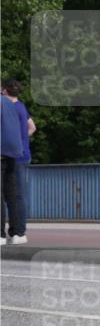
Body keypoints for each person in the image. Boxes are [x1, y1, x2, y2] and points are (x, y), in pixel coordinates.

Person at [1, 79, 34, 244]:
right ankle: (19, 233)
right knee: (18, 195)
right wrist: (21, 141)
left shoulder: (7, 108)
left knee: (9, 195)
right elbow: (32, 127)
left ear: (5, 91)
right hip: (22, 155)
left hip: (10, 156)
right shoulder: (21, 106)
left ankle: (15, 232)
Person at [1, 95, 23, 245]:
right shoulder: (11, 103)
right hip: (14, 152)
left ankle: (0, 235)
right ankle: (17, 233)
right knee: (12, 195)